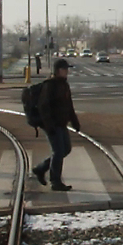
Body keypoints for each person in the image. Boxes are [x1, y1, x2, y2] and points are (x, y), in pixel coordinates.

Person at [31, 59, 81, 191]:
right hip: (53, 125)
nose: (67, 72)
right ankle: (55, 181)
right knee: (58, 151)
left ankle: (41, 169)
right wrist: (49, 126)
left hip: (61, 123)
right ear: (59, 70)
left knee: (66, 149)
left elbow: (69, 105)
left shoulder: (64, 85)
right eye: (65, 69)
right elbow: (43, 106)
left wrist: (74, 121)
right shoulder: (50, 85)